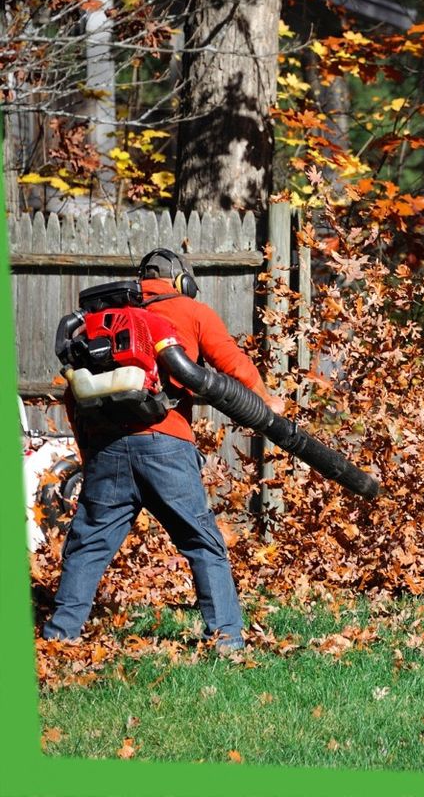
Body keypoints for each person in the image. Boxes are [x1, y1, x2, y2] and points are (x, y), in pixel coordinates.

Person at [42, 249, 285, 651]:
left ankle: (60, 636)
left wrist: (92, 455)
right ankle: (225, 639)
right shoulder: (190, 310)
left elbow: (74, 395)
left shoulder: (104, 322)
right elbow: (231, 362)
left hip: (106, 447)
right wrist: (264, 399)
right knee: (201, 542)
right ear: (181, 281)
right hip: (164, 443)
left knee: (89, 544)